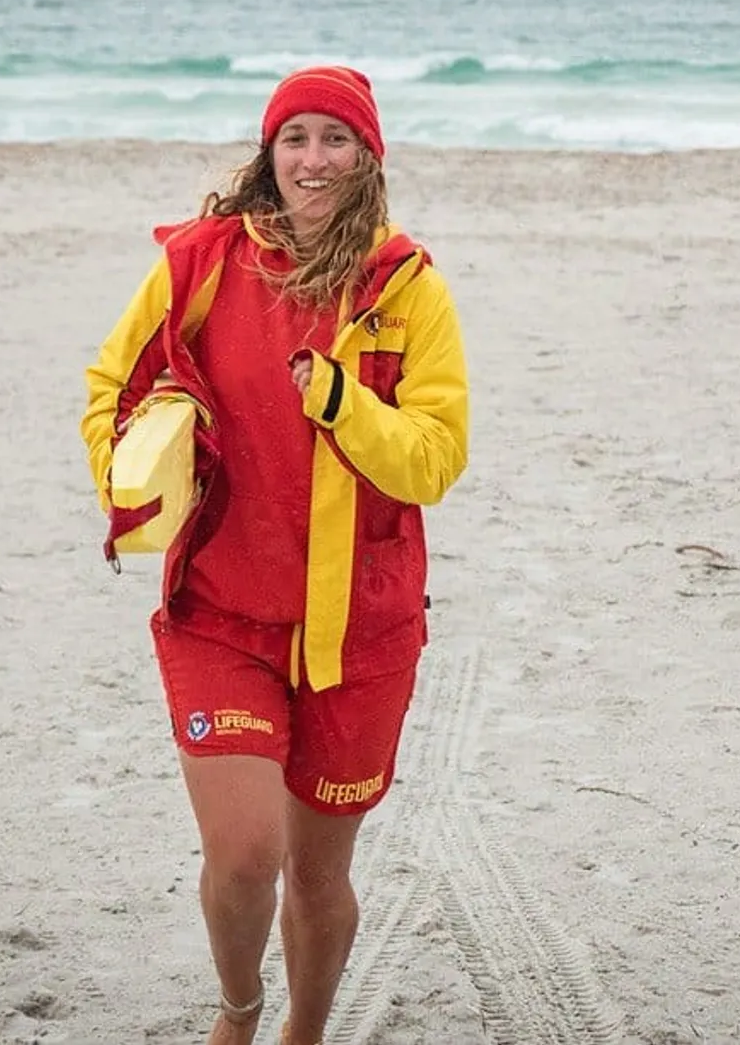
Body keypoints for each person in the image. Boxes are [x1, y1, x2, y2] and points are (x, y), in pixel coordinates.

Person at [80, 66, 470, 1045]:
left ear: (367, 157)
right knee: (246, 853)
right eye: (294, 137)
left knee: (320, 870)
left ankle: (302, 1027)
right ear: (268, 151)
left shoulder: (405, 287)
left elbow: (433, 459)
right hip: (220, 615)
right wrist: (132, 478)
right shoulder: (203, 261)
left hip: (358, 633)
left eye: (335, 139)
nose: (313, 158)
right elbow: (109, 385)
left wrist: (341, 403)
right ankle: (239, 1005)